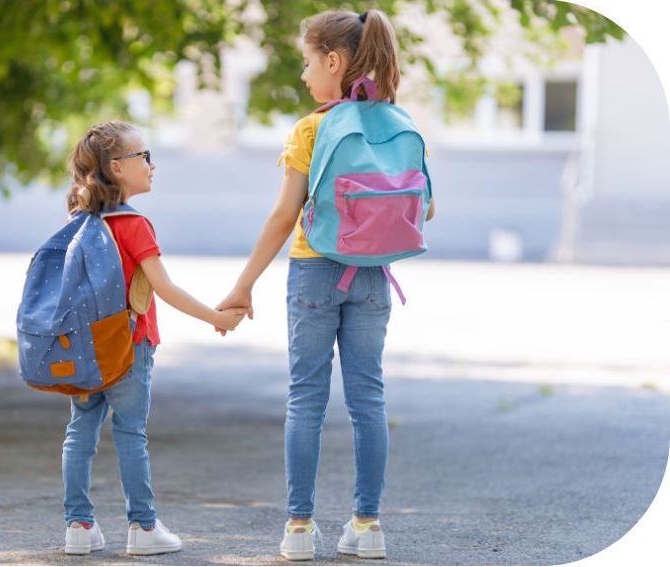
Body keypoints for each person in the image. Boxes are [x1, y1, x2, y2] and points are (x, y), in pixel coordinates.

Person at [216, 9, 436, 561]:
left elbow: (282, 216)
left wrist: (243, 285)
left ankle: (297, 529)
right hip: (372, 278)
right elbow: (426, 208)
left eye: (308, 62)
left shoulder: (311, 128)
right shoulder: (398, 121)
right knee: (369, 399)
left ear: (334, 62)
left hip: (315, 269)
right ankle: (368, 526)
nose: (303, 74)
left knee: (306, 400)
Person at [61, 121, 247, 556]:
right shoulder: (134, 225)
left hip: (86, 344)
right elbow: (163, 288)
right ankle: (143, 528)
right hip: (130, 343)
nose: (152, 165)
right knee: (130, 434)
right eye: (143, 156)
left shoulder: (80, 221)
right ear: (116, 168)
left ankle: (78, 526)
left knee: (79, 433)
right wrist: (216, 317)